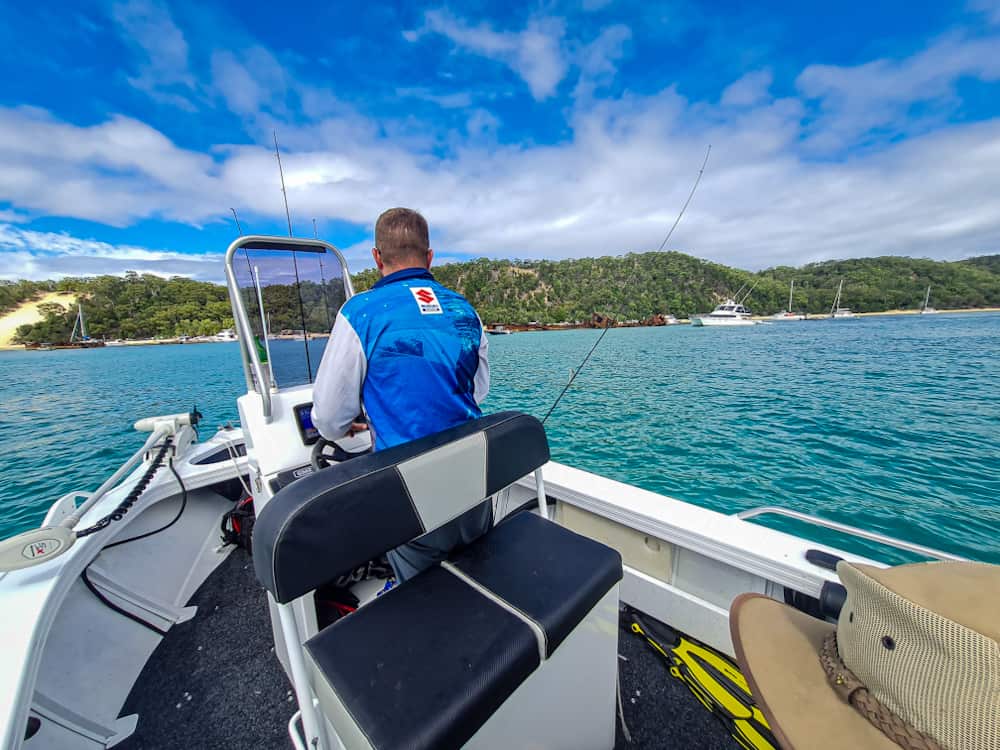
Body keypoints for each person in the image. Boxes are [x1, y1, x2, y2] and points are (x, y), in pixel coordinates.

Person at [312, 207, 491, 584]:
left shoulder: (359, 313)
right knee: (477, 569)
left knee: (424, 593)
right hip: (473, 477)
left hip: (410, 491)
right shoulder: (465, 310)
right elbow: (478, 391)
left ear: (377, 257)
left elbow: (328, 420)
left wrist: (349, 427)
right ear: (429, 256)